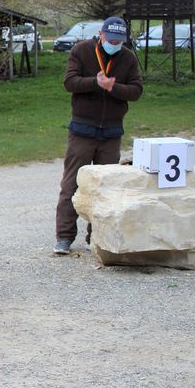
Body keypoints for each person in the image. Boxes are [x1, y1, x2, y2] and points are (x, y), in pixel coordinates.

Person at [54, 16, 142, 254]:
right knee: (71, 184)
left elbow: (136, 90)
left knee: (106, 188)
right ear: (101, 35)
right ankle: (64, 237)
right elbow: (70, 82)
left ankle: (97, 237)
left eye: (119, 40)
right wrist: (96, 82)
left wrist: (113, 87)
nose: (115, 43)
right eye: (111, 39)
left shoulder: (128, 58)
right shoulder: (81, 51)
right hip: (82, 130)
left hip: (111, 133)